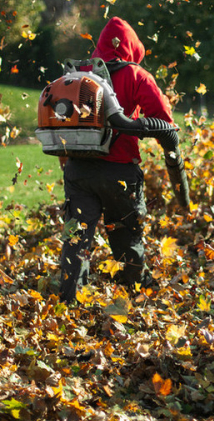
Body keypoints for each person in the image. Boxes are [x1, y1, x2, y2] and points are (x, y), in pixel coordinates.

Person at [58, 17, 174, 302]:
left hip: (78, 170)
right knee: (126, 235)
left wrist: (67, 165)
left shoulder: (76, 75)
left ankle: (68, 300)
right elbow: (164, 120)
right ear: (132, 48)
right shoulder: (136, 75)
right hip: (120, 172)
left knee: (76, 236)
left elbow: (61, 124)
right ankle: (137, 292)